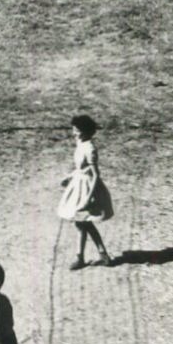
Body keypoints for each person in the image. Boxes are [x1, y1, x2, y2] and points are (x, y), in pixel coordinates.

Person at [57, 115, 114, 269]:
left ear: (83, 132)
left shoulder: (90, 148)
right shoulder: (81, 144)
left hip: (87, 188)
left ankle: (87, 257)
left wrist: (88, 198)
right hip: (78, 184)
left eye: (76, 130)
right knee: (82, 223)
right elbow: (81, 168)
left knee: (82, 223)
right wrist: (69, 177)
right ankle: (95, 255)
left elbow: (95, 174)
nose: (73, 133)